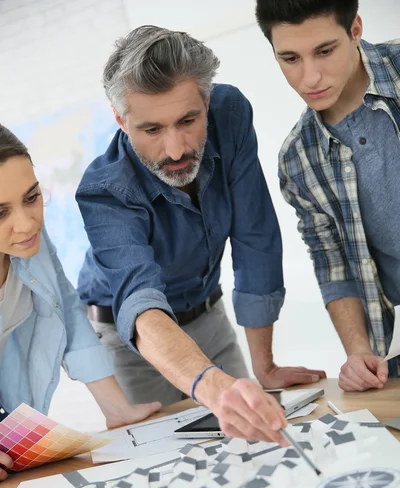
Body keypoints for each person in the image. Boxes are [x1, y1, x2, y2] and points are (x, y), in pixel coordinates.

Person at [76, 25, 325, 443]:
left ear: (207, 101)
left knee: (251, 438)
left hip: (208, 314)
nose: (175, 150)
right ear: (121, 120)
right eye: (152, 130)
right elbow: (140, 302)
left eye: (188, 120)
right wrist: (210, 386)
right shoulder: (103, 191)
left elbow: (254, 234)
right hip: (134, 342)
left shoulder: (230, 113)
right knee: (168, 461)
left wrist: (264, 365)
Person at [0, 124, 162, 480]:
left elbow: (68, 312)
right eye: (1, 213)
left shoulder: (29, 245)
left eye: (31, 197)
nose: (26, 224)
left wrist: (116, 407)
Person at [255, 0, 400, 392]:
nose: (309, 78)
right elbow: (334, 264)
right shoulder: (298, 160)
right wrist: (358, 352)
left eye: (324, 51)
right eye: (289, 58)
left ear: (355, 28)